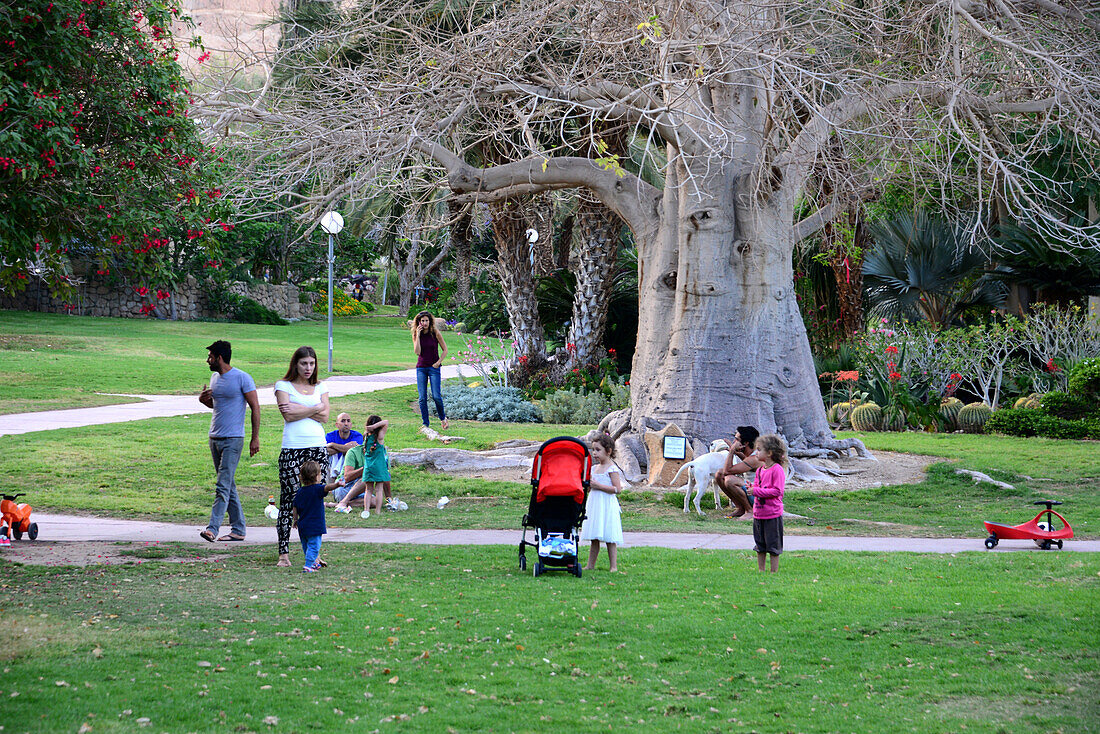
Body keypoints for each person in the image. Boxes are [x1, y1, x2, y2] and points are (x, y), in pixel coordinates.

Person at [198, 340, 260, 543]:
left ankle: (212, 529)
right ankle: (239, 529)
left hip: (233, 439)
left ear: (220, 358)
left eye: (210, 357)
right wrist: (204, 401)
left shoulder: (242, 378)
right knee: (228, 484)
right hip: (214, 437)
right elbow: (217, 407)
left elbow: (255, 408)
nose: (208, 360)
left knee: (222, 485)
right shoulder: (214, 377)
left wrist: (255, 438)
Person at [274, 346, 330, 567]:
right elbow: (287, 414)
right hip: (292, 449)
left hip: (317, 447)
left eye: (312, 363)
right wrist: (314, 407)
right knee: (289, 501)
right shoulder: (283, 385)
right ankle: (283, 554)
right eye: (304, 363)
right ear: (295, 364)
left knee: (315, 502)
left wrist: (302, 408)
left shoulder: (321, 386)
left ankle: (313, 554)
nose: (308, 368)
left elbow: (325, 416)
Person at [581, 433, 623, 572]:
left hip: (607, 504)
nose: (594, 453)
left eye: (598, 450)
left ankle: (613, 566)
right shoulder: (594, 468)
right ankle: (590, 564)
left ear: (609, 451)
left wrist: (599, 486)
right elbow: (590, 488)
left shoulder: (612, 468)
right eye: (593, 450)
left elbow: (617, 489)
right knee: (595, 536)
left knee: (610, 536)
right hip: (595, 504)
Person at [292, 461, 342, 573]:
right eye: (320, 474)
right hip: (314, 525)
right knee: (314, 546)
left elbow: (294, 506)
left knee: (306, 546)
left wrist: (295, 520)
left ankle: (313, 563)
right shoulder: (317, 489)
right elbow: (328, 487)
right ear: (315, 476)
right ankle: (308, 566)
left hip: (302, 525)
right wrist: (337, 484)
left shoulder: (300, 491)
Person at [334, 415, 390, 515]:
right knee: (368, 479)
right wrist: (364, 469)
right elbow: (347, 477)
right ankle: (344, 501)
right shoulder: (353, 451)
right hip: (344, 487)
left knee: (373, 497)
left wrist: (389, 498)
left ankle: (342, 504)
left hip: (361, 491)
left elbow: (386, 476)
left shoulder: (382, 452)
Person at [751, 434, 788, 573]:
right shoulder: (760, 470)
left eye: (759, 449)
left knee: (773, 545)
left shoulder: (777, 469)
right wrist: (752, 488)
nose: (756, 452)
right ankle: (761, 570)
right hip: (759, 514)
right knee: (760, 545)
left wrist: (756, 491)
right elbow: (756, 486)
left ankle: (774, 571)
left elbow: (777, 491)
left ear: (770, 453)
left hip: (772, 514)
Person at [412, 310, 449, 432]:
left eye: (426, 320)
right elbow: (417, 352)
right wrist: (417, 335)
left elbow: (445, 350)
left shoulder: (435, 333)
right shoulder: (416, 334)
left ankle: (443, 419)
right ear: (419, 322)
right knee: (422, 398)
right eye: (422, 321)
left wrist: (438, 363)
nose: (424, 323)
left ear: (430, 321)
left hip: (434, 368)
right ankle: (425, 424)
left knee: (436, 396)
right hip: (421, 368)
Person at [714, 425, 761, 518]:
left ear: (746, 443)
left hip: (759, 498)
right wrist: (734, 450)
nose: (734, 442)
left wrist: (731, 451)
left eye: (737, 440)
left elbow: (727, 471)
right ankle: (740, 508)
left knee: (729, 480)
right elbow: (747, 462)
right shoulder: (752, 456)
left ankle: (750, 511)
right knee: (719, 473)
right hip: (752, 491)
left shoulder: (755, 458)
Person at [325, 413, 363, 484]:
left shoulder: (357, 436)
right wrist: (345, 447)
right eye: (343, 421)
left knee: (348, 454)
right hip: (332, 464)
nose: (346, 423)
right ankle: (331, 481)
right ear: (337, 424)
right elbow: (325, 451)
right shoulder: (330, 436)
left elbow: (355, 450)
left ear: (351, 424)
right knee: (329, 456)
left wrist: (333, 445)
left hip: (349, 466)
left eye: (348, 421)